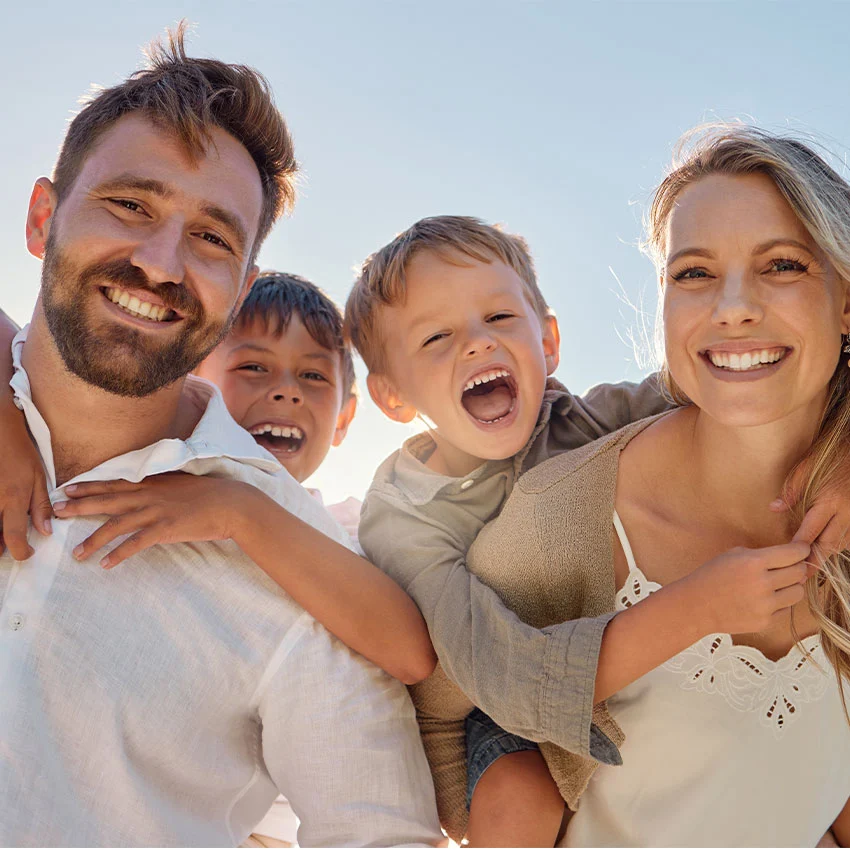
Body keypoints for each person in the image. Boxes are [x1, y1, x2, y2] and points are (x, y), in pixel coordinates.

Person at [0, 27, 440, 847]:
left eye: (211, 238)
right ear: (41, 217)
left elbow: (379, 832)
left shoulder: (296, 572)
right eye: (130, 204)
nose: (163, 263)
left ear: (237, 291)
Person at [345, 214, 850, 845]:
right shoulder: (405, 517)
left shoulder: (586, 421)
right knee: (517, 796)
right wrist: (695, 609)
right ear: (392, 398)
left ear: (548, 340)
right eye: (437, 337)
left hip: (597, 657)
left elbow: (738, 378)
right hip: (494, 692)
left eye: (499, 319)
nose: (477, 344)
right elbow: (493, 669)